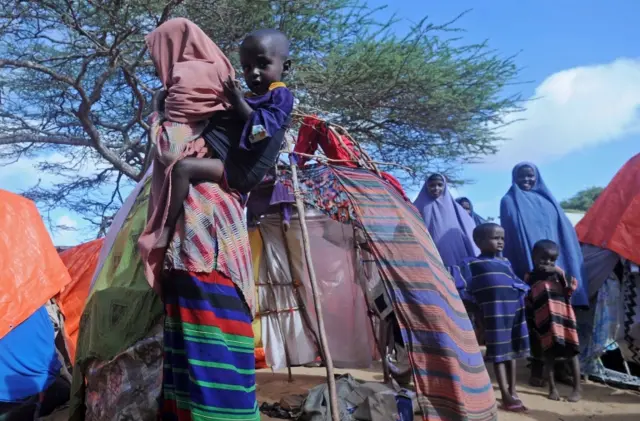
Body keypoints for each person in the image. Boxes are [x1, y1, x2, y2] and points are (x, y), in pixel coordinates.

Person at [135, 18, 260, 421]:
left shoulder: (187, 77)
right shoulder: (219, 73)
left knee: (203, 346)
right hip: (226, 223)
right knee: (224, 339)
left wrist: (156, 115)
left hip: (197, 232)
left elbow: (173, 150)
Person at [147, 22, 294, 247]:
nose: (253, 73)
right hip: (233, 162)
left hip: (240, 171)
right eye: (246, 67)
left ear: (286, 66)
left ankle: (167, 228)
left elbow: (261, 130)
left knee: (183, 168)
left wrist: (236, 101)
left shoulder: (281, 96)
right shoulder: (253, 97)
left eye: (263, 64)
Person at [500, 162, 587, 385]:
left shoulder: (549, 202)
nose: (526, 180)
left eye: (530, 176)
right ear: (514, 177)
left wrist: (561, 268)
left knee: (561, 322)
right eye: (522, 176)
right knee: (534, 322)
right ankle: (537, 368)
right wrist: (526, 271)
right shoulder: (509, 201)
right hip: (528, 272)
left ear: (537, 177)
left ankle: (561, 369)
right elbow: (514, 239)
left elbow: (565, 237)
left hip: (556, 274)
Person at [455, 223, 530, 412]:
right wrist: (477, 313)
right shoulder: (470, 263)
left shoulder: (506, 263)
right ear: (479, 242)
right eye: (495, 238)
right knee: (498, 353)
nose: (500, 242)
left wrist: (520, 289)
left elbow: (518, 282)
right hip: (493, 313)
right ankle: (504, 394)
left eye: (502, 238)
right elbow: (464, 288)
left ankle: (513, 390)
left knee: (511, 351)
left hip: (513, 311)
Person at [525, 240, 582, 402]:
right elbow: (529, 299)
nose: (548, 263)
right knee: (548, 354)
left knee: (572, 353)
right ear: (534, 257)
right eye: (543, 259)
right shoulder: (530, 277)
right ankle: (552, 388)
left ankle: (577, 388)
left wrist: (557, 270)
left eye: (552, 260)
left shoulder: (559, 275)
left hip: (564, 320)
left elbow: (572, 287)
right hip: (544, 322)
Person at [413, 173, 479, 267]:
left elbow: (469, 229)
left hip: (454, 254)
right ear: (426, 186)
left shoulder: (456, 208)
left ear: (445, 186)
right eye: (432, 185)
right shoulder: (416, 207)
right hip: (427, 252)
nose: (436, 188)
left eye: (440, 185)